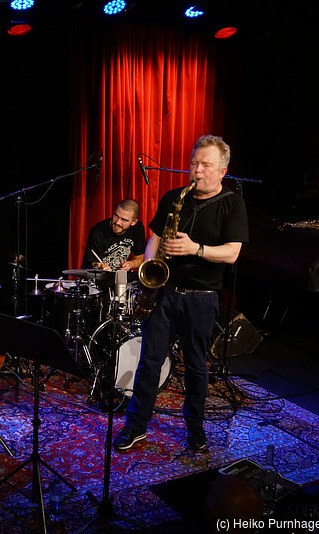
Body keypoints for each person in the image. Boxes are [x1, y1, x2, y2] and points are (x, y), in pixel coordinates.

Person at [112, 135, 248, 452]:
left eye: (205, 165)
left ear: (222, 170)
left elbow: (232, 254)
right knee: (149, 363)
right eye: (194, 163)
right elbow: (154, 240)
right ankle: (135, 426)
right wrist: (149, 271)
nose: (197, 170)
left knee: (197, 367)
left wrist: (194, 249)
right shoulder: (175, 198)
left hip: (202, 298)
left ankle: (195, 429)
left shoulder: (232, 204)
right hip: (165, 293)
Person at [81, 198, 146, 271]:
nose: (117, 222)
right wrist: (101, 267)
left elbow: (139, 260)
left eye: (124, 220)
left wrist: (129, 264)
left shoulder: (137, 229)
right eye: (116, 216)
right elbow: (94, 263)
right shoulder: (98, 232)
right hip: (95, 279)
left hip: (119, 279)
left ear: (133, 222)